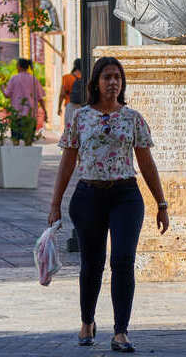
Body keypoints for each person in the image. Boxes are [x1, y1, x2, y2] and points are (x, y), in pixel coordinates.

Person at [48, 56, 169, 352]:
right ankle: (87, 322)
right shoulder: (80, 117)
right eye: (107, 77)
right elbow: (67, 163)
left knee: (123, 261)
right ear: (96, 83)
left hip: (125, 196)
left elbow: (146, 162)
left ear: (122, 83)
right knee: (92, 263)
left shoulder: (133, 118)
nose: (113, 82)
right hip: (88, 196)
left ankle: (121, 332)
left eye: (117, 77)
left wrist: (161, 203)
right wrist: (55, 204)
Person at [3, 58, 47, 142]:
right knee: (28, 141)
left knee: (15, 140)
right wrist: (45, 111)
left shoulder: (14, 78)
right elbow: (40, 98)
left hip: (17, 115)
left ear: (19, 66)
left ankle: (16, 155)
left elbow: (6, 95)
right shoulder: (34, 79)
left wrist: (2, 88)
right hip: (30, 115)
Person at [59, 59, 82, 124]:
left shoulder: (67, 77)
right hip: (83, 106)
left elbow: (62, 94)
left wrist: (59, 107)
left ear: (74, 66)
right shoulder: (85, 78)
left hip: (70, 105)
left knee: (70, 128)